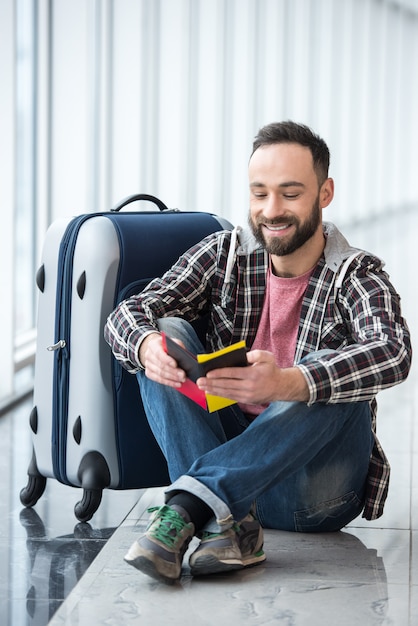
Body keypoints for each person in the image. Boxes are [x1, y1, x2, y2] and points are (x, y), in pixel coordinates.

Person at [104, 121, 412, 584]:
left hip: (308, 495)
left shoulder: (357, 274)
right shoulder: (224, 254)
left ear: (324, 194)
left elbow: (393, 352)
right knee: (164, 331)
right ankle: (228, 524)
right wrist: (147, 345)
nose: (272, 210)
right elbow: (130, 311)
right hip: (229, 464)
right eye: (259, 193)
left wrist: (288, 382)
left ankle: (190, 503)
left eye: (290, 193)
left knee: (324, 372)